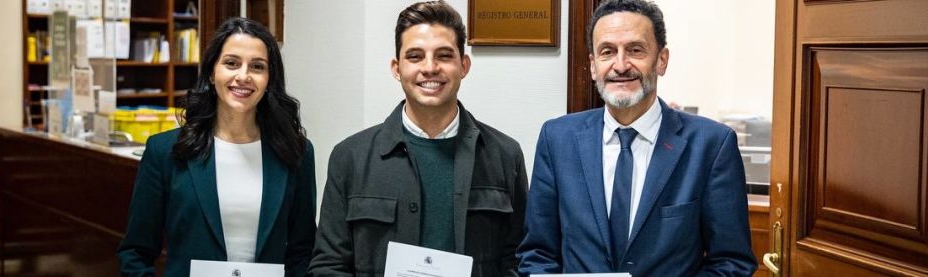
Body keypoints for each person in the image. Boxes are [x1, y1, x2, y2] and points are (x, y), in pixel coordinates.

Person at [517, 0, 758, 275]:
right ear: (594, 66)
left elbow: (731, 262)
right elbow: (537, 253)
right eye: (607, 52)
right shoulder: (557, 140)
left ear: (661, 60)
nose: (620, 65)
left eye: (635, 50)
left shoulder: (712, 145)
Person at [307, 1, 527, 276]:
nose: (430, 67)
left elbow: (517, 261)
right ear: (396, 68)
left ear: (464, 65)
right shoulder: (350, 157)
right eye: (415, 56)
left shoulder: (505, 156)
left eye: (444, 55)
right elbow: (328, 266)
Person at [117, 17, 316, 277]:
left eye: (257, 66)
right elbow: (135, 252)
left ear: (269, 79)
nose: (243, 76)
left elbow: (303, 251)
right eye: (231, 63)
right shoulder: (165, 151)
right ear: (212, 73)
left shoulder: (296, 152)